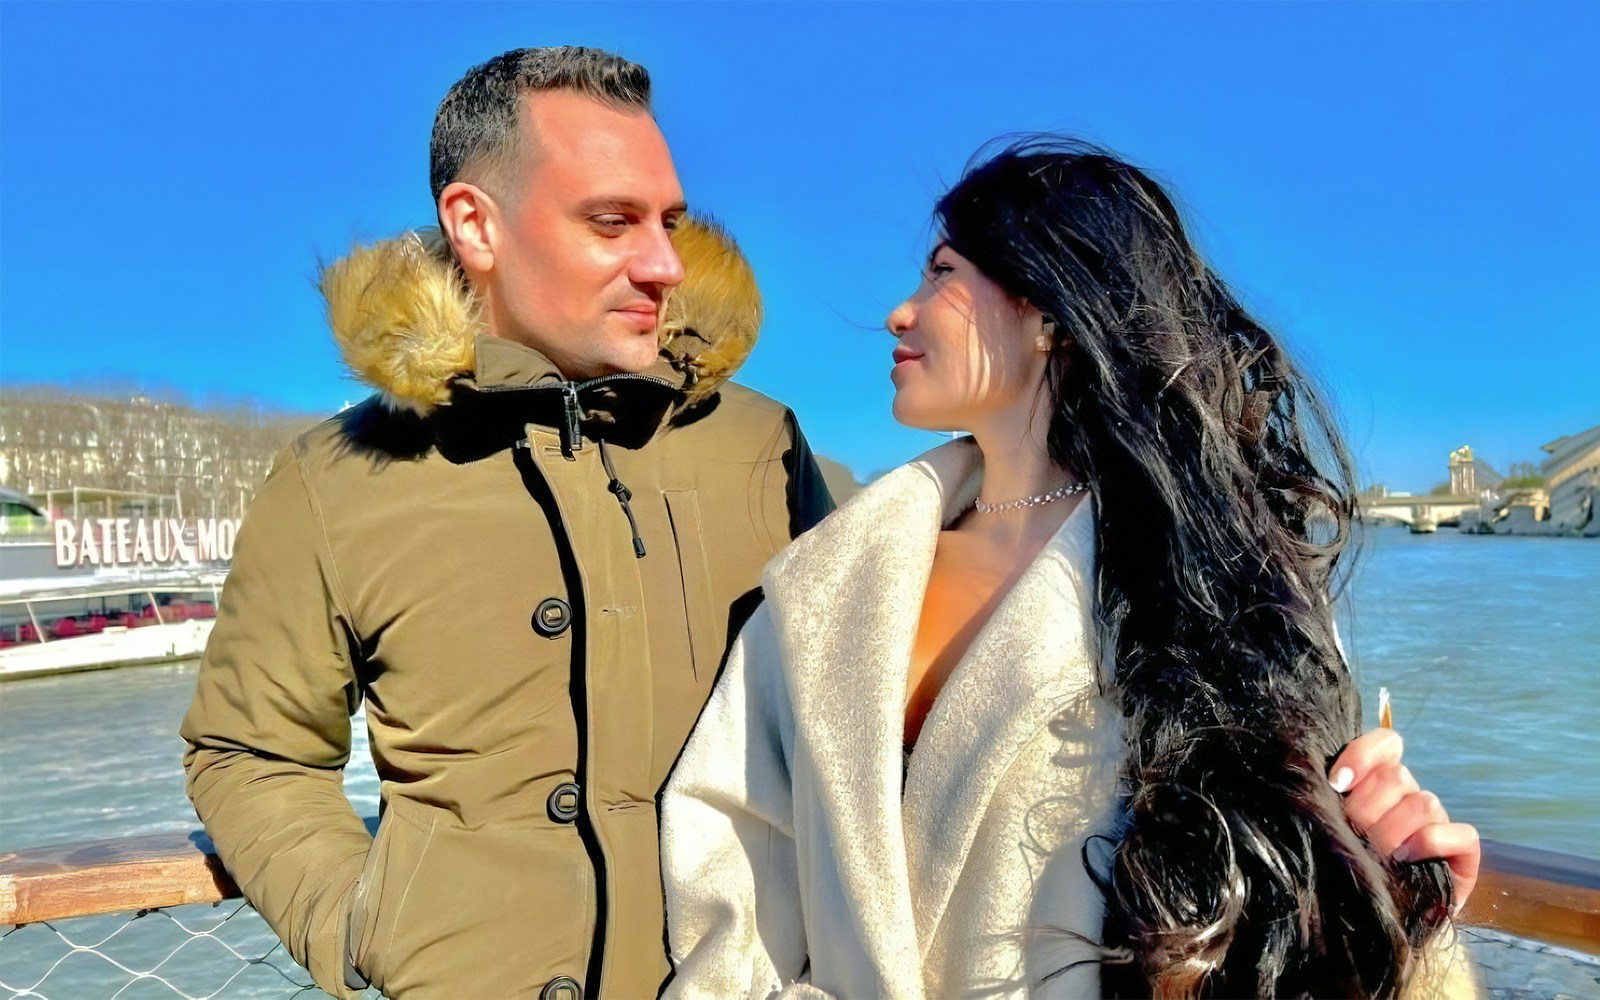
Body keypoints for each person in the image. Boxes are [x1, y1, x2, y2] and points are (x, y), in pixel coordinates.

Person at [660, 137, 1480, 998]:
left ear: (1049, 310)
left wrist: (1383, 881)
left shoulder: (1206, 590)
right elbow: (730, 830)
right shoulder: (827, 579)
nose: (901, 312)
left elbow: (1262, 912)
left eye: (942, 273)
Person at [180, 47, 831, 999]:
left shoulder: (759, 445)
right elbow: (250, 751)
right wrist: (372, 925)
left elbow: (860, 715)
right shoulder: (335, 481)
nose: (661, 264)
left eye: (669, 223)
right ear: (475, 224)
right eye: (611, 221)